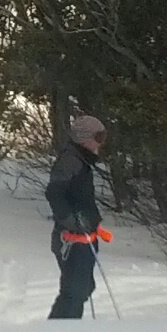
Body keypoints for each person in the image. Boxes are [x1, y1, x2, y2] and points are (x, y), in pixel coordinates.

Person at [44, 113, 108, 320]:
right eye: (98, 137)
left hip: (84, 237)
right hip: (71, 240)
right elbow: (54, 193)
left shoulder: (82, 161)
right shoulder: (70, 161)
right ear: (84, 138)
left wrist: (92, 221)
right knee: (75, 291)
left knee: (82, 288)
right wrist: (71, 221)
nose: (101, 143)